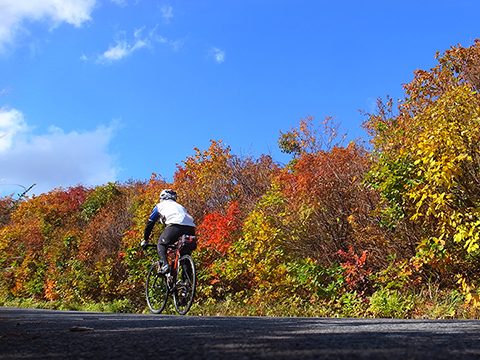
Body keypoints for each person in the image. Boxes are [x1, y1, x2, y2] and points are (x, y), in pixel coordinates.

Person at [141, 189, 196, 274]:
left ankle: (165, 265)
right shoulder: (181, 207)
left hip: (175, 225)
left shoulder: (160, 206)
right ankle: (187, 284)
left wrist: (145, 239)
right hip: (191, 228)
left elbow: (150, 224)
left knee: (161, 244)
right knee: (184, 253)